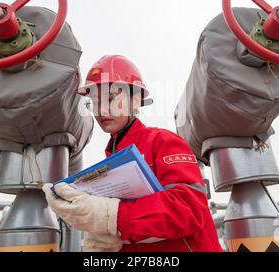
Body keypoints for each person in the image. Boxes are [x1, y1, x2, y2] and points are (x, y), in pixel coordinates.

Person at [42, 54, 222, 252]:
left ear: (135, 100)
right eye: (94, 101)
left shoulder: (164, 142)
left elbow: (189, 211)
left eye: (110, 98)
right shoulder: (110, 159)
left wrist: (110, 216)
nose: (101, 109)